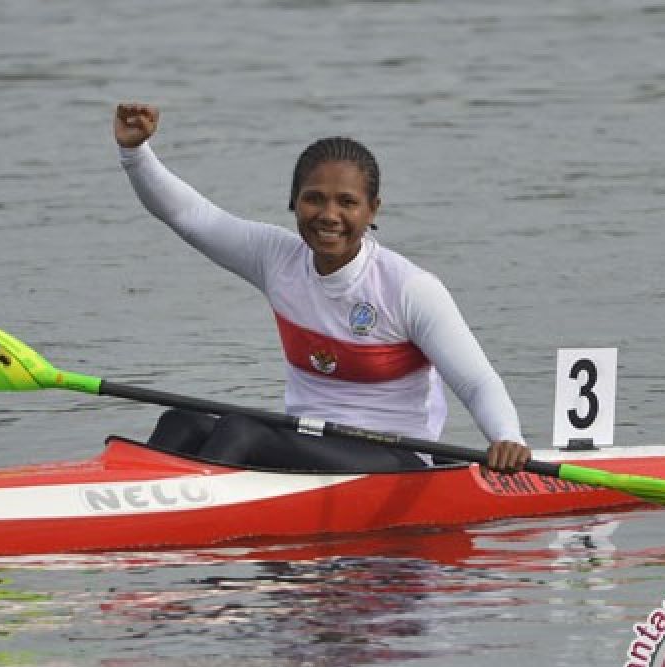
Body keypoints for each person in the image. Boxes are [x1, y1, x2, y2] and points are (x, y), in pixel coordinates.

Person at [115, 102, 531, 473]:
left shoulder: (409, 288)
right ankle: (121, 507)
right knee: (180, 422)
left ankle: (182, 529)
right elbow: (192, 216)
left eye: (347, 203)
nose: (329, 215)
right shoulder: (276, 259)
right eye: (314, 199)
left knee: (243, 432)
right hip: (305, 442)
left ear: (372, 211)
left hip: (395, 459)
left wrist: (507, 438)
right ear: (294, 202)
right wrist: (134, 153)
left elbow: (477, 383)